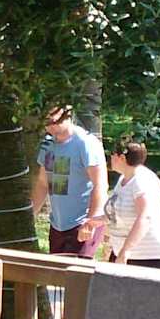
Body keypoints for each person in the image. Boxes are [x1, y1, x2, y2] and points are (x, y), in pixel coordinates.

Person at [31, 104, 106, 257]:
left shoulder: (85, 143)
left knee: (77, 270)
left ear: (68, 115)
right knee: (56, 271)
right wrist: (31, 214)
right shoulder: (48, 144)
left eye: (54, 121)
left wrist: (90, 222)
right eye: (46, 122)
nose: (50, 126)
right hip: (58, 225)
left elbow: (100, 185)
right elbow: (43, 183)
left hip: (82, 224)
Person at [106, 141, 160, 269]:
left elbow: (144, 218)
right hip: (122, 253)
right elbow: (116, 213)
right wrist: (93, 223)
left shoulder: (142, 180)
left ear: (122, 158)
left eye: (112, 154)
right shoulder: (123, 179)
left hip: (152, 257)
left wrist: (125, 251)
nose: (110, 158)